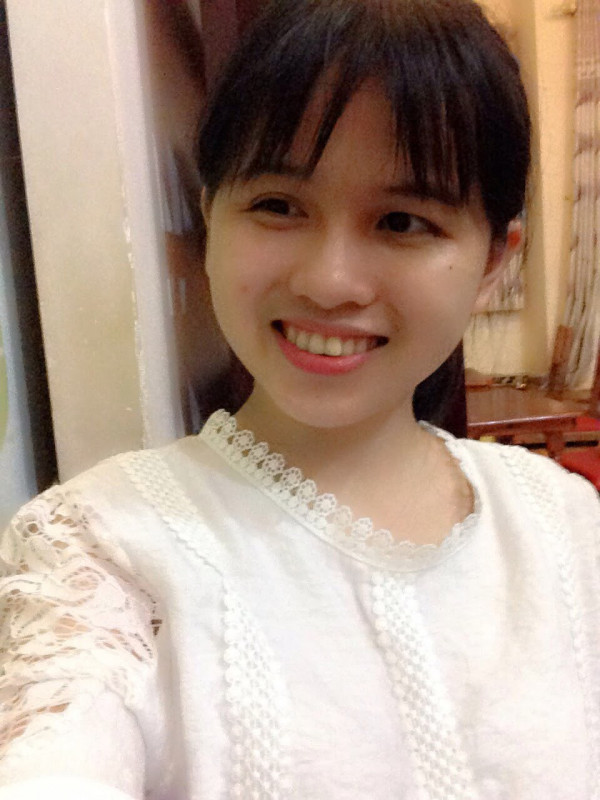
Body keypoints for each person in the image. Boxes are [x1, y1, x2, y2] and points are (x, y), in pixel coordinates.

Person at [1, 1, 599, 798]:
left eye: (402, 221)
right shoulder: (99, 547)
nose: (328, 281)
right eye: (278, 206)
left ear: (494, 262)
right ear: (211, 216)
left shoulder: (565, 524)